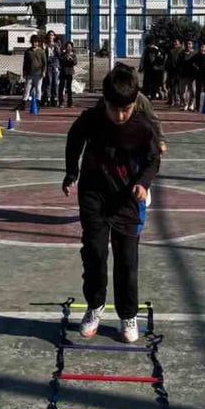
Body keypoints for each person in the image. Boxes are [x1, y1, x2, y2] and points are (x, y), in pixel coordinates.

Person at [63, 65, 161, 344]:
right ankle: (95, 307)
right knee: (94, 253)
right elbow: (74, 139)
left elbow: (153, 159)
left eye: (126, 109)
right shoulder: (92, 119)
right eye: (114, 109)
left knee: (127, 260)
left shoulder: (143, 126)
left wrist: (143, 183)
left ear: (135, 103)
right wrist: (72, 171)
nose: (120, 116)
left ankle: (127, 314)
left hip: (127, 198)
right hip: (94, 194)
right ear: (104, 101)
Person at [21, 35, 47, 110]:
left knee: (38, 89)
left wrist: (44, 71)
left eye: (36, 42)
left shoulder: (41, 51)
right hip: (29, 73)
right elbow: (25, 63)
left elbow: (44, 63)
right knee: (27, 89)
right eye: (33, 42)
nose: (34, 43)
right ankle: (23, 103)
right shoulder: (28, 51)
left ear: (38, 42)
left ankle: (38, 103)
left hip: (39, 74)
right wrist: (24, 72)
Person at [178, 39, 198, 110]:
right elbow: (178, 64)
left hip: (192, 76)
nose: (188, 45)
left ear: (192, 45)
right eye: (187, 44)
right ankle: (185, 104)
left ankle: (191, 104)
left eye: (190, 44)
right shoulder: (181, 53)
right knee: (182, 92)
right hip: (183, 75)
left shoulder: (195, 53)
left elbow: (198, 64)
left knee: (193, 91)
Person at [45, 31, 62, 107]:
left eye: (52, 35)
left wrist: (58, 48)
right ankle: (48, 98)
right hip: (48, 65)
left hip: (55, 65)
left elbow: (59, 55)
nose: (51, 36)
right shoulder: (45, 45)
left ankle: (54, 98)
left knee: (55, 83)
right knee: (49, 82)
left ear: (54, 36)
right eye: (49, 35)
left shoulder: (56, 45)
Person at [60, 40, 78, 108]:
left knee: (69, 88)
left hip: (70, 72)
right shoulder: (63, 54)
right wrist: (65, 57)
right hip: (63, 72)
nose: (68, 48)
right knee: (61, 87)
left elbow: (75, 63)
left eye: (70, 47)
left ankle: (70, 103)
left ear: (72, 47)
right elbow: (61, 61)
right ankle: (61, 102)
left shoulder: (73, 55)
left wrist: (71, 59)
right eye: (67, 47)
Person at [165, 40, 183, 107]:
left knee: (179, 88)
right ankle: (172, 101)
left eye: (176, 43)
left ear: (180, 44)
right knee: (172, 87)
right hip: (172, 72)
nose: (175, 43)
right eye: (174, 42)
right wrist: (167, 69)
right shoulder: (171, 51)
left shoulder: (181, 51)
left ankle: (178, 101)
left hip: (179, 72)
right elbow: (168, 61)